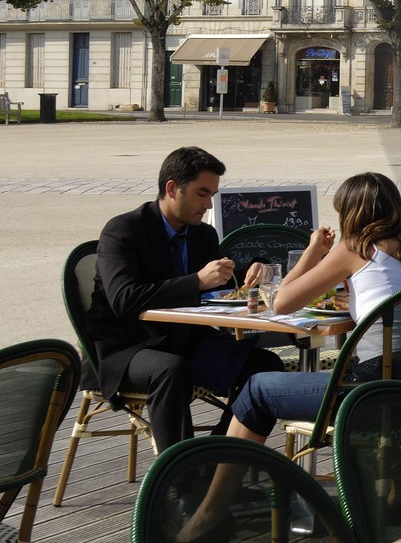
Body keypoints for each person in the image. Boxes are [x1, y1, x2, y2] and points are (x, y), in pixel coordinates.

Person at [177, 172, 401, 541]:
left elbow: (282, 301)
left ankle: (210, 514)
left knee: (256, 390)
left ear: (351, 213)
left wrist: (313, 250)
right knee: (358, 367)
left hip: (370, 394)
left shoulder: (355, 247)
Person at [87, 147, 284, 453]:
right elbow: (124, 300)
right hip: (128, 349)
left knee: (265, 364)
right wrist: (196, 282)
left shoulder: (201, 234)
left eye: (212, 195)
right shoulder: (124, 230)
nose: (208, 204)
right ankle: (179, 478)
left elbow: (224, 277)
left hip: (186, 342)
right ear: (171, 188)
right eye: (201, 194)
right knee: (171, 369)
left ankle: (219, 456)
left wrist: (255, 267)